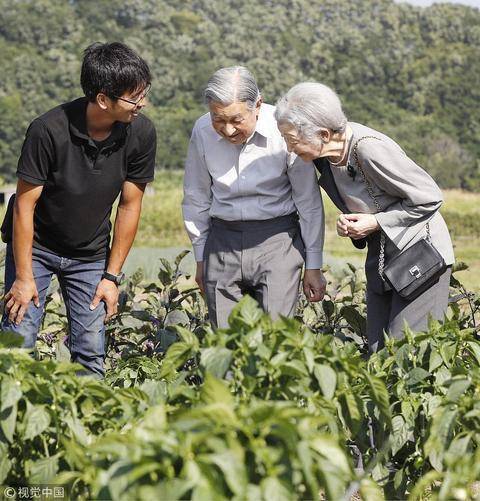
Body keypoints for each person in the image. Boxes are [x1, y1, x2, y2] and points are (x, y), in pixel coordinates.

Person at [1, 42, 157, 377]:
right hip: (36, 249)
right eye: (134, 97)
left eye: (143, 93)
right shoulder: (48, 130)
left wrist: (111, 277)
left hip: (90, 254)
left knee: (89, 351)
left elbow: (130, 206)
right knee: (18, 342)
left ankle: (87, 426)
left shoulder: (141, 132)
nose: (141, 104)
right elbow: (24, 206)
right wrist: (24, 277)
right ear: (103, 99)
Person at [275, 82, 454, 352]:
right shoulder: (326, 158)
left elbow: (429, 196)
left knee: (408, 352)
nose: (289, 148)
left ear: (323, 134)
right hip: (383, 259)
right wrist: (354, 223)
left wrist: (376, 222)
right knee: (378, 350)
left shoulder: (369, 149)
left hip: (420, 258)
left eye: (292, 139)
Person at [182, 67, 326, 328]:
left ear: (257, 105)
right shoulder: (202, 131)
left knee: (276, 340)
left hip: (278, 242)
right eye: (218, 119)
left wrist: (313, 265)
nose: (227, 130)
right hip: (222, 243)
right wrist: (201, 258)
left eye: (236, 120)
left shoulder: (286, 129)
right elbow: (196, 197)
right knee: (225, 346)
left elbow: (308, 201)